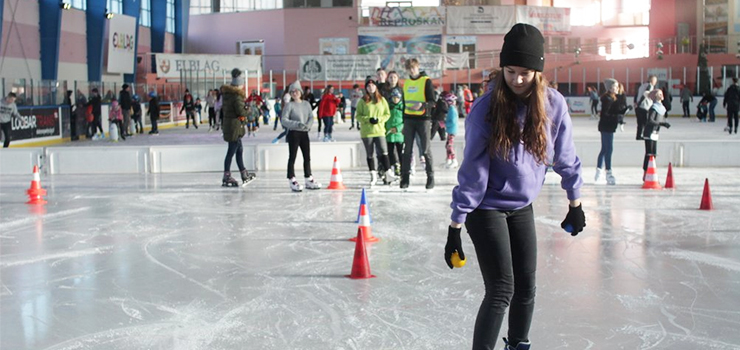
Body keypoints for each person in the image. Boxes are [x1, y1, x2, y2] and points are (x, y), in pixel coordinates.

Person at [446, 23, 585, 350]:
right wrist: (457, 221)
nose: (517, 79)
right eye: (510, 71)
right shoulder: (486, 108)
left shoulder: (553, 104)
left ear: (538, 71)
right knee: (501, 289)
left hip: (522, 207)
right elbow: (473, 170)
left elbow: (565, 156)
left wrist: (575, 202)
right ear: (502, 68)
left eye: (525, 72)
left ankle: (518, 345)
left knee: (527, 286)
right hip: (486, 208)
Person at [401, 57, 435, 189]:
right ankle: (405, 178)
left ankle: (430, 176)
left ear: (418, 67)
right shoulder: (407, 83)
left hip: (423, 119)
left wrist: (422, 105)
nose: (412, 70)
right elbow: (404, 102)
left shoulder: (426, 81)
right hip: (409, 119)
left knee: (425, 149)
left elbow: (433, 102)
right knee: (407, 150)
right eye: (409, 68)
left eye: (413, 68)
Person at [282, 81, 321, 192]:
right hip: (294, 133)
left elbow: (310, 117)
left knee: (307, 157)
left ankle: (308, 177)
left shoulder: (306, 104)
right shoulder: (289, 105)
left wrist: (307, 126)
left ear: (300, 92)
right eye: (292, 92)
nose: (295, 93)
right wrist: (296, 124)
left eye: (297, 91)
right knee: (292, 156)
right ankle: (291, 178)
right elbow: (284, 120)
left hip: (304, 133)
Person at [221, 68, 256, 187]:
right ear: (238, 85)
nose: (243, 86)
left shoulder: (228, 95)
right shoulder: (236, 97)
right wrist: (248, 109)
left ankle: (243, 173)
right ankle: (227, 176)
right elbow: (241, 111)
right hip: (234, 128)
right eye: (242, 84)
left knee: (238, 150)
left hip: (232, 127)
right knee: (231, 151)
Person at [356, 78, 395, 186]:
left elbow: (387, 114)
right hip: (367, 132)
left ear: (376, 87)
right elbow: (358, 115)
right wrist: (368, 119)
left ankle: (388, 173)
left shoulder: (382, 100)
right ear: (366, 89)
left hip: (379, 130)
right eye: (368, 86)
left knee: (384, 152)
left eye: (373, 86)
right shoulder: (362, 101)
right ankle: (373, 175)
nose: (371, 88)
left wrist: (379, 119)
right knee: (370, 154)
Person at [595, 78, 625, 185]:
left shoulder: (612, 98)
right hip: (606, 127)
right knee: (608, 149)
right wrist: (617, 114)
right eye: (615, 87)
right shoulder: (607, 99)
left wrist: (622, 111)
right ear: (609, 88)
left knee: (605, 149)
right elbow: (606, 114)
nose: (617, 88)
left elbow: (612, 112)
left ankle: (600, 171)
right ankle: (607, 172)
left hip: (609, 127)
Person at [642, 89, 671, 173]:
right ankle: (646, 171)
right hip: (649, 132)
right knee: (649, 153)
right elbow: (650, 121)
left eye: (662, 93)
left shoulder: (661, 107)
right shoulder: (654, 108)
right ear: (655, 96)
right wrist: (662, 124)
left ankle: (651, 171)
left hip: (655, 133)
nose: (662, 95)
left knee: (653, 153)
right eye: (659, 94)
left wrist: (663, 123)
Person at [385, 88, 404, 177]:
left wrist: (398, 128)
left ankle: (402, 166)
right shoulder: (388, 107)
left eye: (397, 98)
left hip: (399, 134)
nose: (395, 100)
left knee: (400, 151)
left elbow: (405, 121)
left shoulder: (402, 107)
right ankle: (394, 165)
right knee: (390, 151)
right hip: (389, 133)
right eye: (394, 98)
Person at [634, 75, 657, 140]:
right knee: (646, 122)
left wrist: (636, 102)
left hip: (639, 106)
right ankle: (646, 135)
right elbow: (645, 94)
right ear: (652, 80)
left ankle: (638, 136)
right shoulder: (649, 86)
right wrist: (639, 103)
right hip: (644, 106)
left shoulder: (642, 85)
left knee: (640, 123)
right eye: (655, 80)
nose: (655, 82)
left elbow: (637, 94)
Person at [442, 92, 459, 169]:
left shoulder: (452, 109)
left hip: (452, 130)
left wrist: (445, 124)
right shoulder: (452, 109)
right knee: (448, 145)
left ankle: (454, 160)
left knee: (450, 146)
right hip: (450, 130)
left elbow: (452, 121)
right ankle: (449, 160)